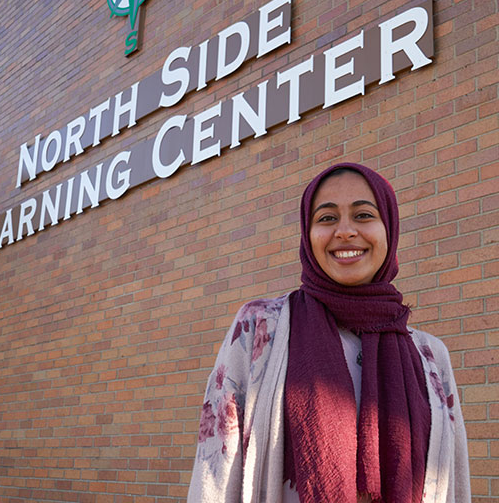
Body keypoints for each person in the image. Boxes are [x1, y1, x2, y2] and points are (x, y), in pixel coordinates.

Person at [187, 162, 471, 503]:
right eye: (326, 218)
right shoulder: (259, 327)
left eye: (364, 215)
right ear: (307, 236)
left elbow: (453, 480)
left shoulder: (429, 355)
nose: (345, 231)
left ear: (389, 229)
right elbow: (216, 471)